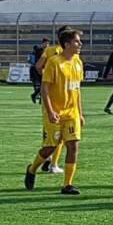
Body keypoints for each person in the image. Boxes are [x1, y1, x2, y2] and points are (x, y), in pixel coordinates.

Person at [24, 27, 85, 195]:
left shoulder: (78, 62)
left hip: (71, 113)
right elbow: (44, 88)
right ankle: (32, 169)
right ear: (67, 44)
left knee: (73, 146)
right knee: (50, 148)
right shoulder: (54, 62)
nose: (80, 44)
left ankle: (67, 185)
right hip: (56, 112)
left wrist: (80, 113)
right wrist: (50, 111)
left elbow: (77, 89)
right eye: (77, 41)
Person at [34, 32, 68, 174]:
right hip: (60, 98)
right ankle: (53, 163)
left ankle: (47, 159)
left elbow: (38, 66)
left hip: (48, 95)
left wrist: (46, 78)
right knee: (60, 134)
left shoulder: (48, 50)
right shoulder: (66, 54)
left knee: (49, 131)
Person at [29, 38, 49, 104]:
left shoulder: (48, 51)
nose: (47, 45)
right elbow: (39, 61)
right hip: (39, 69)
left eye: (48, 43)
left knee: (44, 85)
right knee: (42, 85)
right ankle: (38, 97)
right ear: (42, 44)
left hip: (45, 69)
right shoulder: (39, 51)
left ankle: (37, 97)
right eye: (45, 43)